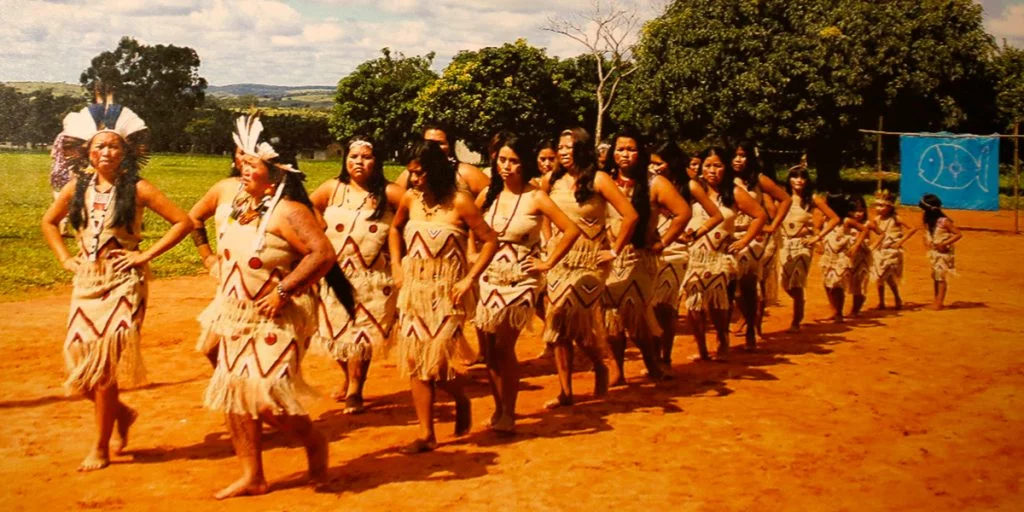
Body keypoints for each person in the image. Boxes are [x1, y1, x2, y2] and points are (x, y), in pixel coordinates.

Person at [198, 116, 353, 499]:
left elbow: (323, 254)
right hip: (235, 314)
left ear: (275, 170)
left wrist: (283, 290)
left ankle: (314, 442)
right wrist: (208, 258)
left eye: (253, 164)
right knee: (236, 392)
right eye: (243, 162)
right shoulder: (238, 203)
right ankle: (253, 474)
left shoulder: (289, 211)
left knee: (265, 393)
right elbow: (197, 223)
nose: (243, 168)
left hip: (280, 316)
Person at [41, 100, 193, 471]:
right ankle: (121, 415)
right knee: (81, 370)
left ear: (125, 150)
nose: (106, 152)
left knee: (104, 369)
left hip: (124, 284)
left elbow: (182, 222)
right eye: (99, 147)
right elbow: (49, 222)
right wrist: (65, 257)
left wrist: (144, 256)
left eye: (113, 146)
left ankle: (101, 447)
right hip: (87, 282)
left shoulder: (138, 188)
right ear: (87, 153)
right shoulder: (78, 186)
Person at [389, 141, 498, 453]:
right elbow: (395, 230)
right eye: (411, 173)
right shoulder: (410, 199)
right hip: (413, 291)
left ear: (435, 170)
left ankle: (461, 398)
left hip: (448, 293)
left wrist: (469, 278)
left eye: (419, 173)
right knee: (415, 360)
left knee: (435, 360)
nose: (413, 179)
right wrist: (397, 265)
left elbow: (490, 240)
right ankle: (426, 433)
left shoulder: (461, 203)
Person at [472, 133, 580, 434]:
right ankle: (498, 410)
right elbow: (471, 222)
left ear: (525, 163)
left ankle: (509, 412)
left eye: (514, 161)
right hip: (489, 279)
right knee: (491, 351)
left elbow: (570, 230)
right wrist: (472, 254)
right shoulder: (488, 194)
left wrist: (546, 262)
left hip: (521, 281)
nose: (507, 167)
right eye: (502, 160)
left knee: (505, 347)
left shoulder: (536, 196)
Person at [540, 127, 638, 407]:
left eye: (568, 147)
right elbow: (543, 213)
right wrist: (548, 242)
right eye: (559, 147)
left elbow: (630, 216)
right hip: (559, 262)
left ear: (581, 149)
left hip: (590, 262)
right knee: (558, 325)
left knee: (575, 319)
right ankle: (565, 390)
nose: (562, 152)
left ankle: (600, 365)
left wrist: (614, 250)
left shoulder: (599, 179)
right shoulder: (551, 180)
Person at [310, 137, 403, 414]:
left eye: (366, 157)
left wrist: (399, 250)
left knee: (362, 336)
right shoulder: (332, 188)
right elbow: (306, 207)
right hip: (336, 276)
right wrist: (319, 232)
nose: (358, 162)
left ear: (377, 161)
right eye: (353, 157)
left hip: (373, 278)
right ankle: (348, 377)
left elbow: (411, 214)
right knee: (337, 333)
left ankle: (355, 389)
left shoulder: (390, 193)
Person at [603, 132, 695, 382]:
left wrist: (664, 242)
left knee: (635, 311)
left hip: (639, 256)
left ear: (640, 152)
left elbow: (683, 213)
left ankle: (652, 362)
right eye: (620, 149)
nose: (625, 154)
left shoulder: (655, 183)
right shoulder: (605, 180)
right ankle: (616, 368)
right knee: (610, 314)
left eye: (631, 149)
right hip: (609, 257)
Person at [683, 147, 766, 360]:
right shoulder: (693, 190)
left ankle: (723, 339)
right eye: (708, 166)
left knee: (720, 303)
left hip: (720, 256)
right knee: (693, 303)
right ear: (700, 167)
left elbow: (759, 216)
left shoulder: (734, 192)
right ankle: (701, 347)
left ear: (725, 167)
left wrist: (743, 241)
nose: (713, 171)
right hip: (693, 254)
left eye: (717, 166)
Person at [648, 141, 723, 367]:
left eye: (659, 163)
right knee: (650, 307)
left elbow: (716, 215)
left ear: (670, 162)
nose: (655, 168)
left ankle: (666, 358)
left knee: (666, 307)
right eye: (651, 163)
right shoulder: (649, 185)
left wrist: (695, 234)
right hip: (649, 252)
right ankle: (655, 358)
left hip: (675, 253)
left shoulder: (689, 185)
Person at [189, 127, 246, 367]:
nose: (246, 158)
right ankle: (238, 389)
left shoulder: (279, 193)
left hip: (261, 280)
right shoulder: (224, 187)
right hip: (227, 278)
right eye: (241, 152)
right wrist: (207, 256)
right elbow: (194, 218)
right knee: (211, 348)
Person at [729, 142, 792, 348]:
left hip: (752, 238)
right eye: (735, 155)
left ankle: (751, 331)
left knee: (747, 287)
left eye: (743, 155)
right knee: (733, 290)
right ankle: (746, 322)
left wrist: (773, 227)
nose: (738, 159)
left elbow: (785, 199)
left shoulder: (758, 180)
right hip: (728, 237)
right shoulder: (723, 180)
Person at [777, 165, 840, 332]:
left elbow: (834, 218)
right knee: (786, 284)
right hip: (784, 244)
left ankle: (796, 321)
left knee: (797, 281)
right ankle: (800, 302)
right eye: (795, 177)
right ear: (789, 179)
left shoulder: (812, 199)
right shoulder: (782, 197)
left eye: (802, 177)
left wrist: (817, 237)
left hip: (803, 245)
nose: (799, 180)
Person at [394, 123, 490, 195]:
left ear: (450, 145)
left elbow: (493, 196)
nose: (434, 147)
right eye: (429, 142)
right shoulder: (409, 175)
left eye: (440, 143)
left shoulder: (466, 173)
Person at [819, 194, 868, 323]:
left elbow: (863, 230)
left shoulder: (846, 221)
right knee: (827, 284)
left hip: (841, 257)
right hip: (828, 256)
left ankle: (839, 313)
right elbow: (817, 230)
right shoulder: (824, 220)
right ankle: (833, 310)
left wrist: (856, 245)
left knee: (837, 285)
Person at [870, 189, 916, 310]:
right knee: (879, 277)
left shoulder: (896, 218)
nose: (879, 209)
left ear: (890, 207)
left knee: (888, 277)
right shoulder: (876, 219)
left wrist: (900, 241)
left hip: (892, 252)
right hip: (880, 250)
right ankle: (881, 301)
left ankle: (896, 297)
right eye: (878, 206)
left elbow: (912, 229)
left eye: (882, 206)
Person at [919, 194, 961, 310]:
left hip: (944, 254)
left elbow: (958, 234)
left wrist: (945, 243)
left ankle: (939, 303)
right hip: (934, 253)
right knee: (936, 277)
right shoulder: (928, 219)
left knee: (941, 277)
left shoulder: (944, 221)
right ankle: (936, 300)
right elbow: (925, 231)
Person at [847, 195, 872, 317]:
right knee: (848, 283)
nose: (858, 214)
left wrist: (872, 247)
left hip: (862, 258)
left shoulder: (867, 224)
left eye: (861, 211)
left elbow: (881, 234)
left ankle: (855, 310)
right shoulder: (847, 223)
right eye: (854, 211)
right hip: (848, 259)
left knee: (860, 283)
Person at [49, 132, 75, 236]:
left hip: (57, 171)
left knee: (59, 198)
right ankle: (63, 228)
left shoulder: (60, 136)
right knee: (69, 200)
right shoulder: (77, 136)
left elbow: (53, 155)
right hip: (70, 171)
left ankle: (60, 224)